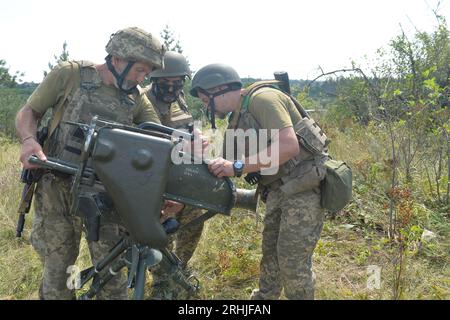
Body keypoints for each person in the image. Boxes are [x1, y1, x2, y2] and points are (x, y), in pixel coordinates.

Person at [15, 27, 165, 300]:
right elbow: (30, 111)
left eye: (147, 73)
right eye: (139, 70)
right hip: (56, 188)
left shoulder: (136, 97)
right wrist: (28, 140)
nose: (143, 78)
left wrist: (188, 142)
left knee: (112, 275)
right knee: (60, 273)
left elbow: (159, 138)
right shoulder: (70, 74)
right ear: (118, 59)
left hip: (104, 194)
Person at [189, 64, 328, 300]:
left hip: (303, 186)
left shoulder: (263, 99)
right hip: (278, 189)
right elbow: (230, 163)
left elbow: (288, 146)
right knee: (271, 255)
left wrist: (238, 166)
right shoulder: (238, 116)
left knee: (292, 261)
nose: (206, 106)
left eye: (206, 100)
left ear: (220, 89)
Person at [144, 51, 206, 299]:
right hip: (152, 178)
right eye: (165, 84)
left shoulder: (179, 98)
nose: (172, 89)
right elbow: (140, 145)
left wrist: (197, 138)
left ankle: (179, 266)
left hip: (181, 174)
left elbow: (189, 126)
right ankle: (161, 279)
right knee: (162, 229)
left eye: (178, 84)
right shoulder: (142, 101)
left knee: (194, 220)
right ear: (154, 80)